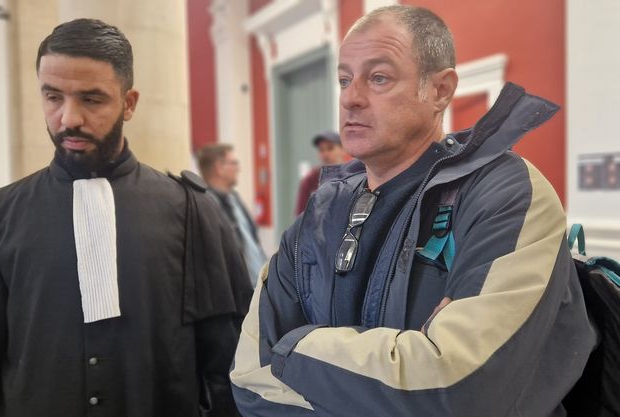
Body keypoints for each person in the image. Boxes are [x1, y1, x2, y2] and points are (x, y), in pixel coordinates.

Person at [230, 5, 596, 417]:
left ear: (440, 90)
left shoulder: (504, 193)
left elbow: (462, 390)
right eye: (345, 79)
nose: (350, 98)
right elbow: (248, 378)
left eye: (379, 78)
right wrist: (404, 365)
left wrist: (296, 347)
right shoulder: (319, 213)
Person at [0, 18, 252, 417]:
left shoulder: (190, 211)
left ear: (128, 103)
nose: (69, 118)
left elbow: (227, 366)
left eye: (91, 99)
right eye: (53, 97)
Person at [197, 144, 266, 286]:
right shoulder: (205, 205)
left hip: (257, 288)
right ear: (219, 168)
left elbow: (252, 243)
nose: (239, 168)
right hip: (235, 293)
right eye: (234, 163)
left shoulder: (234, 199)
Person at [294, 131, 347, 215]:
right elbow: (301, 215)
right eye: (321, 150)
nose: (325, 154)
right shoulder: (310, 180)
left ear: (343, 149)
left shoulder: (353, 176)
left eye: (330, 148)